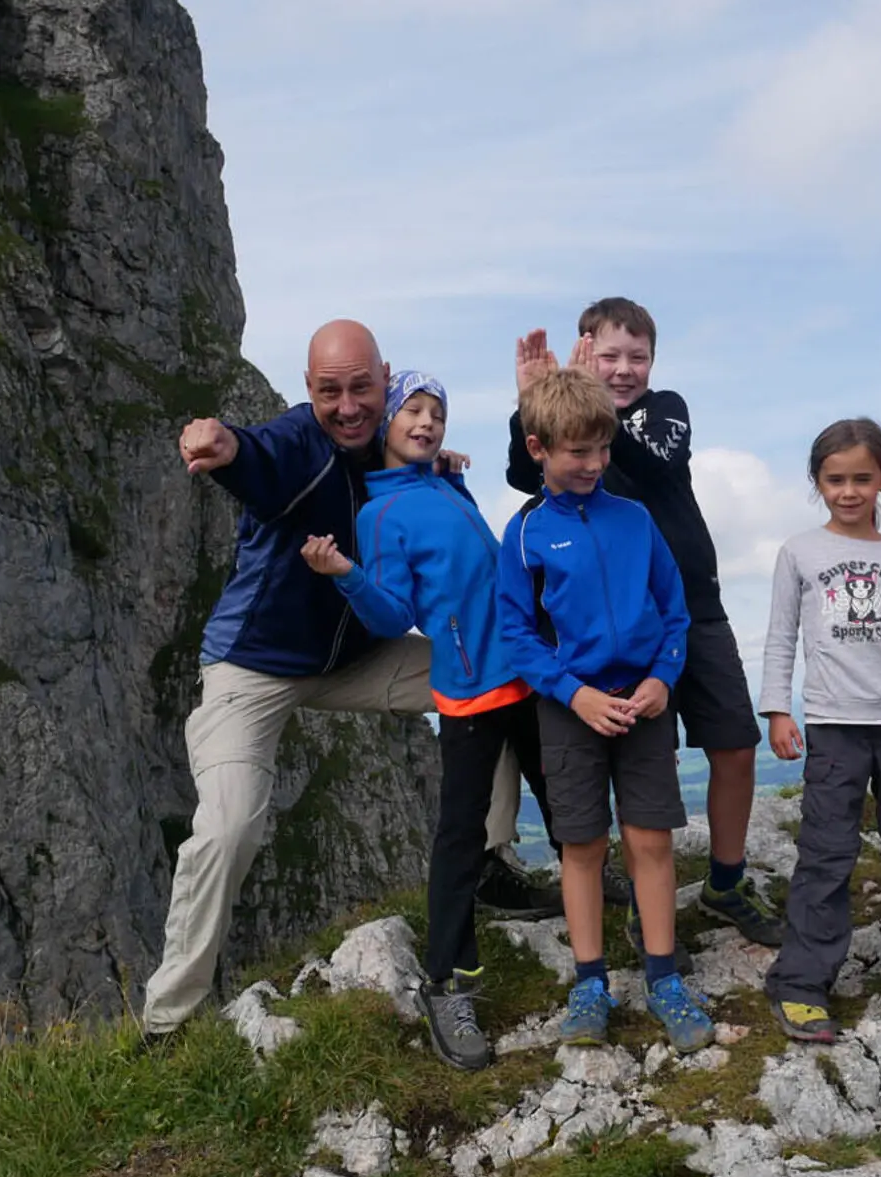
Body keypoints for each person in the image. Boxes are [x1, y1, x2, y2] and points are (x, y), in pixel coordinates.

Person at [141, 322, 542, 1042]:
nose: (349, 406)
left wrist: (435, 465)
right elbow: (258, 455)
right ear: (309, 390)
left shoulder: (395, 459)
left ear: (386, 381)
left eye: (363, 387)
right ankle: (168, 1018)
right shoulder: (301, 444)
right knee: (229, 826)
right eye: (331, 391)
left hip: (355, 657)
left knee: (494, 677)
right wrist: (222, 444)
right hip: (252, 668)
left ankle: (488, 860)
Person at [506, 299, 782, 966]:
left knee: (734, 743)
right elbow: (524, 476)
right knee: (634, 769)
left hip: (691, 604)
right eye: (609, 356)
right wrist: (537, 408)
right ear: (587, 353)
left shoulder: (664, 411)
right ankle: (643, 912)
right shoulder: (572, 441)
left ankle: (725, 880)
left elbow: (657, 464)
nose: (624, 369)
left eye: (637, 356)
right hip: (612, 637)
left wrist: (590, 407)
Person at [302, 371, 559, 1071]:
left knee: (566, 801)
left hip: (523, 671)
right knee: (460, 837)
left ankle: (603, 921)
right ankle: (447, 982)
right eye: (413, 409)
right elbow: (393, 614)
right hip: (472, 690)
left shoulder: (444, 484)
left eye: (437, 412)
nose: (426, 421)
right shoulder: (379, 515)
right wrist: (345, 574)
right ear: (385, 419)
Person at [497, 369, 714, 1054]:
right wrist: (574, 694)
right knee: (583, 845)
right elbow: (516, 634)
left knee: (651, 842)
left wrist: (662, 679)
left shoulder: (636, 518)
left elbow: (673, 611)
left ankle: (664, 977)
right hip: (572, 709)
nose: (593, 465)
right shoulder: (526, 533)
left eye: (601, 450)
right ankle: (590, 982)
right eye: (577, 452)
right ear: (538, 447)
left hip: (645, 702)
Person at [760, 419, 881, 1043]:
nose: (849, 492)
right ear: (818, 481)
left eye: (862, 479)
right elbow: (780, 636)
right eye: (835, 479)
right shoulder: (799, 551)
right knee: (826, 853)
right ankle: (802, 982)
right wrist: (777, 709)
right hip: (835, 724)